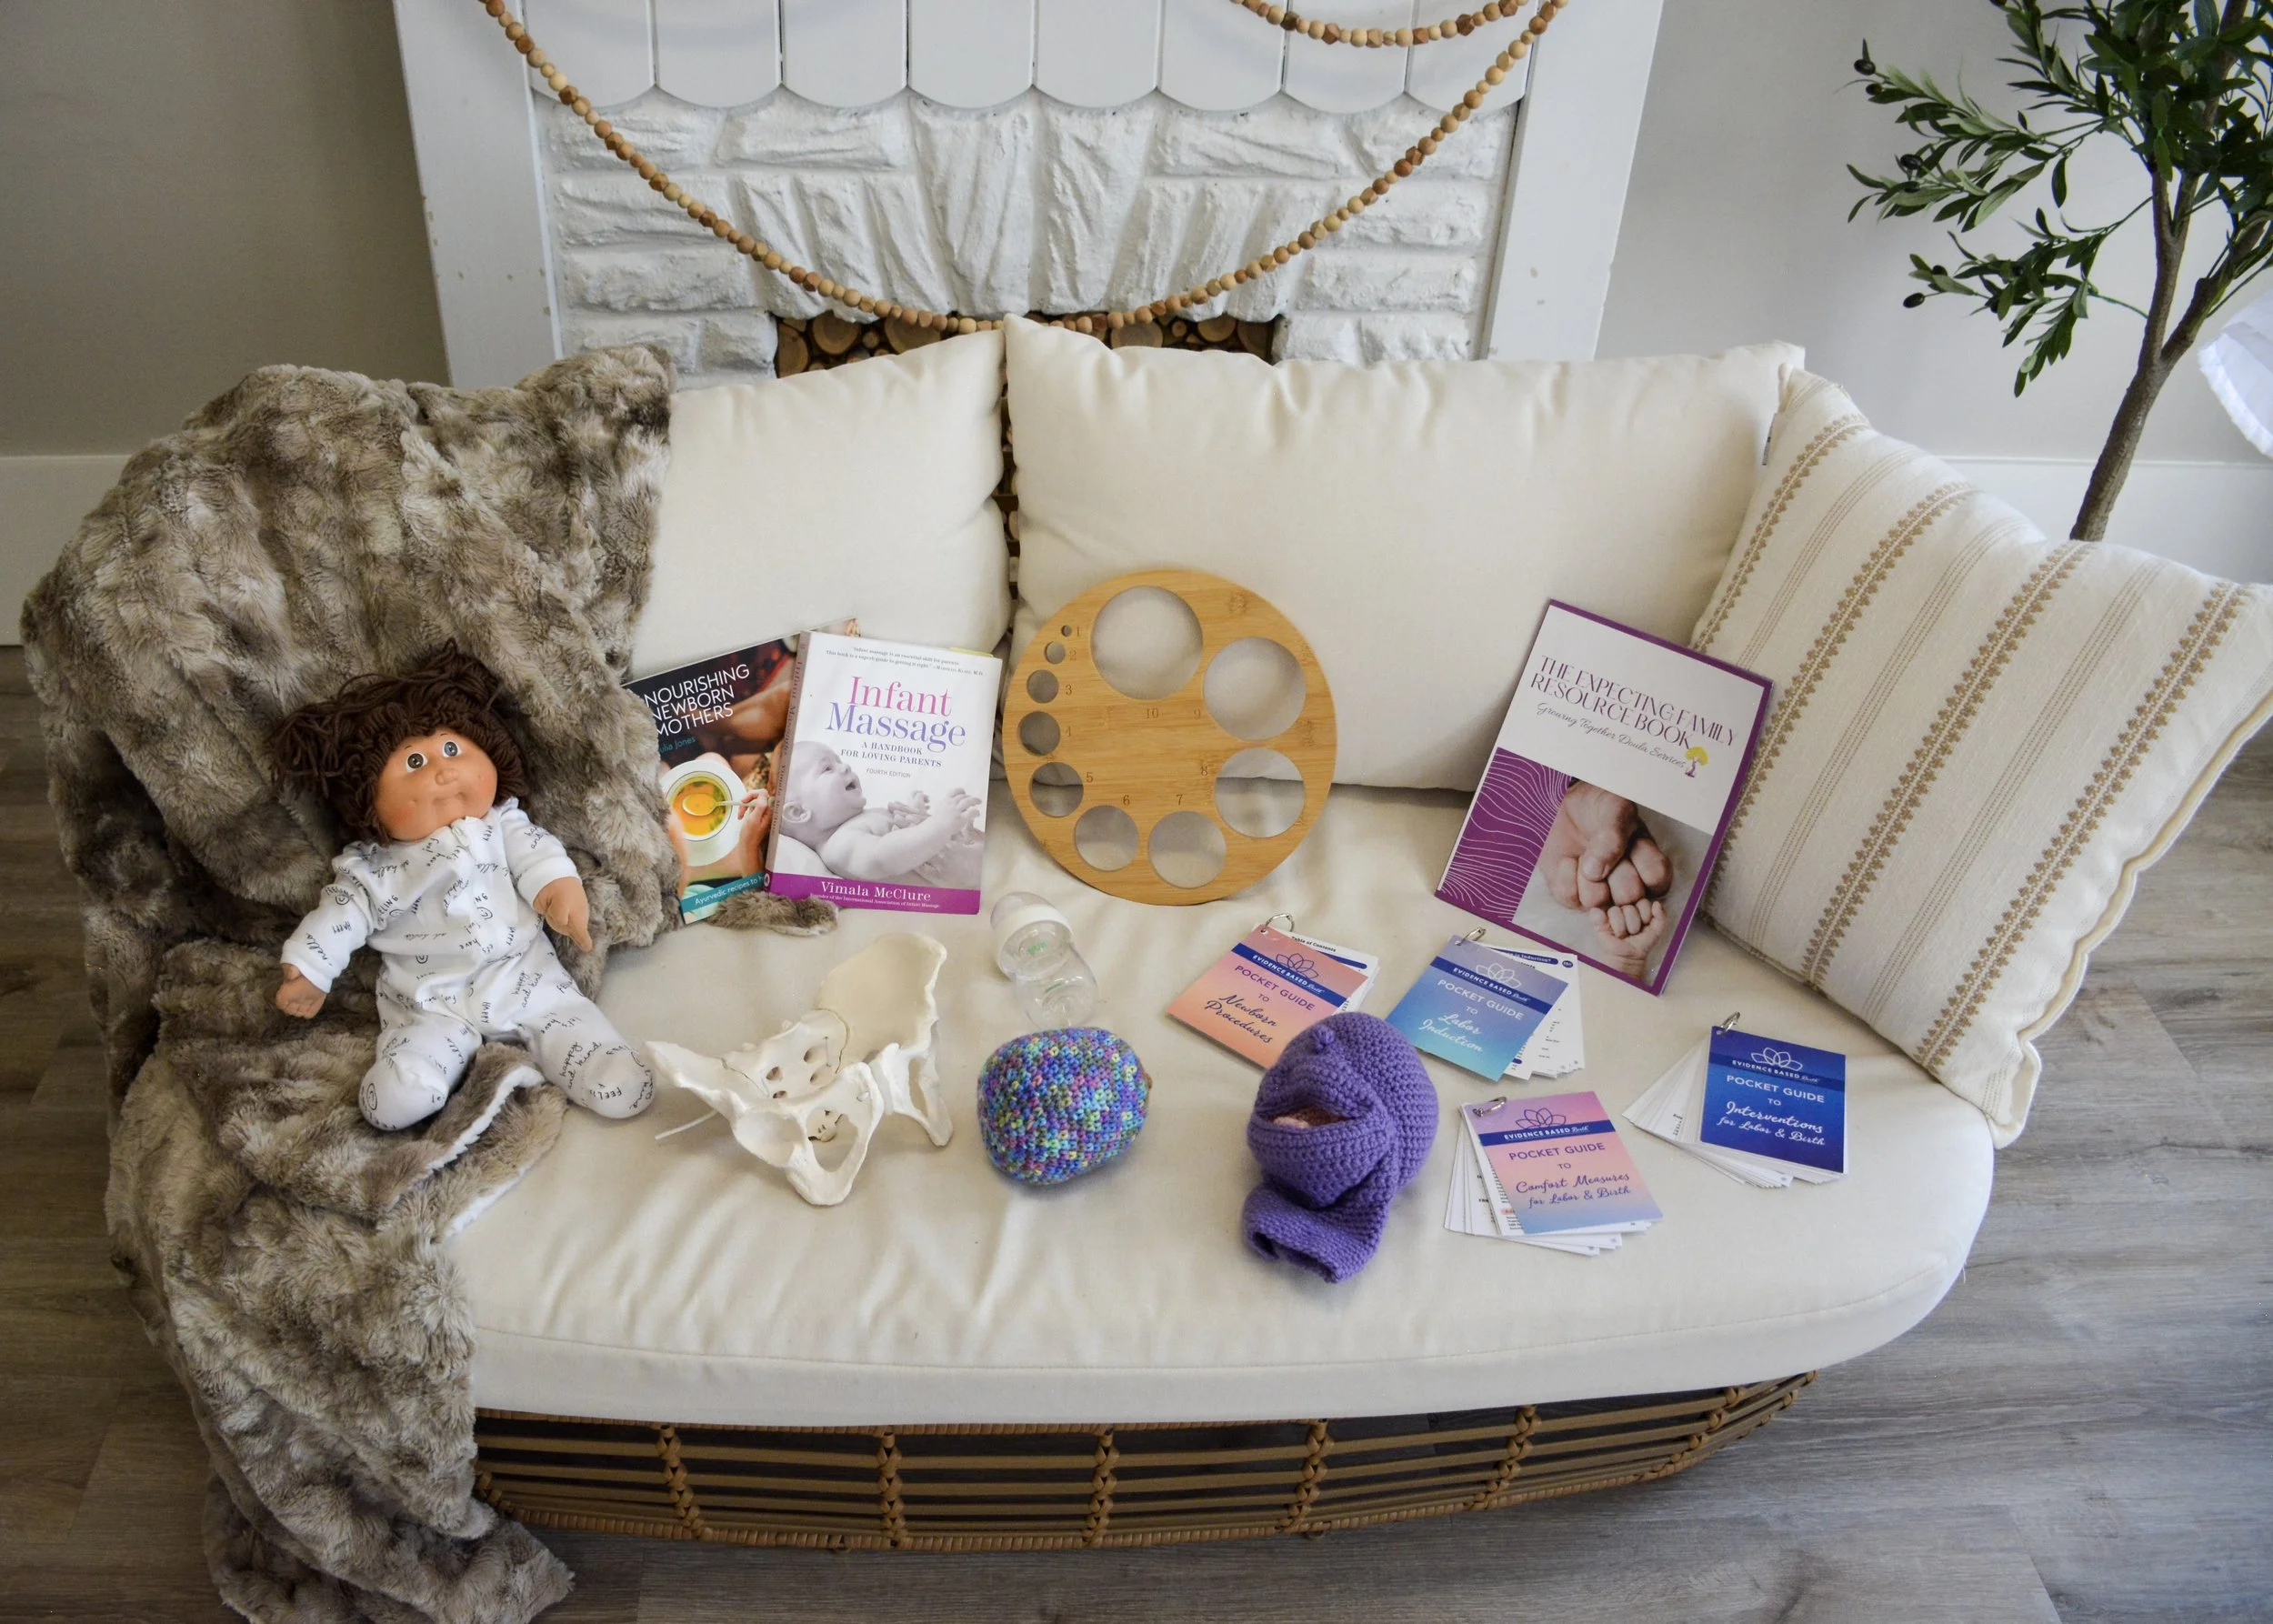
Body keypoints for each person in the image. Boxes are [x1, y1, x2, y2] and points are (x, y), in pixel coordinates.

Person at [271, 646, 655, 1130]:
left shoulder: (502, 824)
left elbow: (538, 854)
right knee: (417, 1055)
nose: (442, 769)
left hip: (523, 973)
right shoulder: (373, 869)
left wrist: (558, 891)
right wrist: (309, 969)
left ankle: (600, 1062)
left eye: (451, 749)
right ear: (366, 798)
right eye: (414, 761)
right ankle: (407, 1079)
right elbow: (341, 915)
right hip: (430, 996)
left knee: (563, 1015)